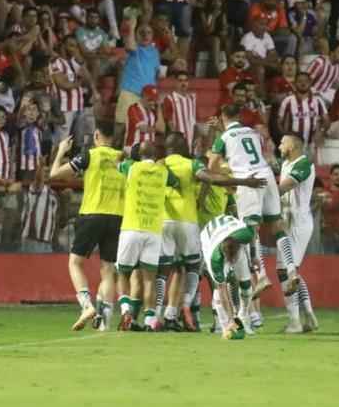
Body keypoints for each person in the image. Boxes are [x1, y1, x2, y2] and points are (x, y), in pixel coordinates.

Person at [159, 132, 264, 331]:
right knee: (200, 274)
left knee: (171, 271)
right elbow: (214, 182)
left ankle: (164, 315)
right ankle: (197, 311)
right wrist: (243, 182)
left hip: (163, 222)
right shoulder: (193, 167)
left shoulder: (159, 163)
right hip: (200, 231)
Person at [209, 103, 301, 317]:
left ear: (222, 115)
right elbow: (241, 145)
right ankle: (291, 269)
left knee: (251, 228)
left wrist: (225, 169)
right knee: (277, 225)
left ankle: (260, 276)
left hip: (248, 180)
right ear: (239, 115)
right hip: (267, 175)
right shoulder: (252, 132)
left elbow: (213, 165)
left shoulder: (222, 139)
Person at [48, 123, 125, 332]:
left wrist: (61, 152)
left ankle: (86, 305)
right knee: (108, 270)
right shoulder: (123, 158)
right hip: (117, 217)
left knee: (75, 262)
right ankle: (105, 323)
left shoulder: (90, 156)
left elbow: (55, 175)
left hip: (92, 214)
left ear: (97, 135)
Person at [116, 142, 180, 331]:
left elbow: (118, 162)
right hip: (153, 230)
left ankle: (126, 310)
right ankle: (150, 320)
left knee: (123, 273)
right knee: (149, 279)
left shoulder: (131, 167)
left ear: (139, 155)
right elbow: (175, 182)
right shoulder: (163, 171)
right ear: (156, 153)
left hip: (131, 227)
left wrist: (125, 154)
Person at [277, 134, 320, 333]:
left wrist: (263, 196)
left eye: (283, 142)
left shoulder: (305, 164)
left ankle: (295, 322)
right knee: (288, 270)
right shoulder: (286, 163)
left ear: (292, 145)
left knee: (287, 271)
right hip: (287, 220)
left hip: (298, 222)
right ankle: (308, 315)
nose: (279, 146)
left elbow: (286, 186)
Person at [199, 214, 258, 340]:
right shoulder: (215, 259)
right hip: (209, 237)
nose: (232, 262)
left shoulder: (245, 235)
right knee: (219, 287)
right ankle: (225, 324)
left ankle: (243, 316)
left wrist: (253, 255)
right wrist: (231, 319)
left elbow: (254, 226)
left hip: (230, 229)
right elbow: (222, 290)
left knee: (246, 283)